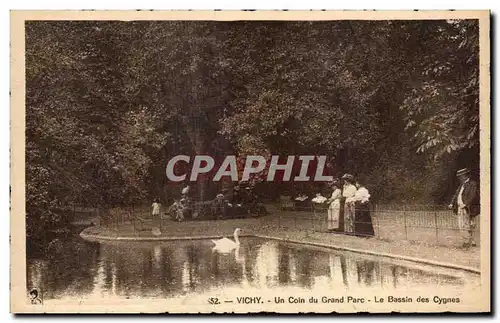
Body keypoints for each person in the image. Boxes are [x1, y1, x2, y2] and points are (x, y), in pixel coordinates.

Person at [448, 168, 480, 247]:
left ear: (465, 176)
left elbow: (472, 195)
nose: (459, 178)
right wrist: (452, 203)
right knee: (463, 225)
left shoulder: (472, 184)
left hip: (468, 208)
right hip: (460, 208)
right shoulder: (462, 185)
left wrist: (465, 204)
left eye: (460, 176)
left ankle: (468, 241)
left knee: (467, 225)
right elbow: (456, 195)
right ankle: (470, 241)